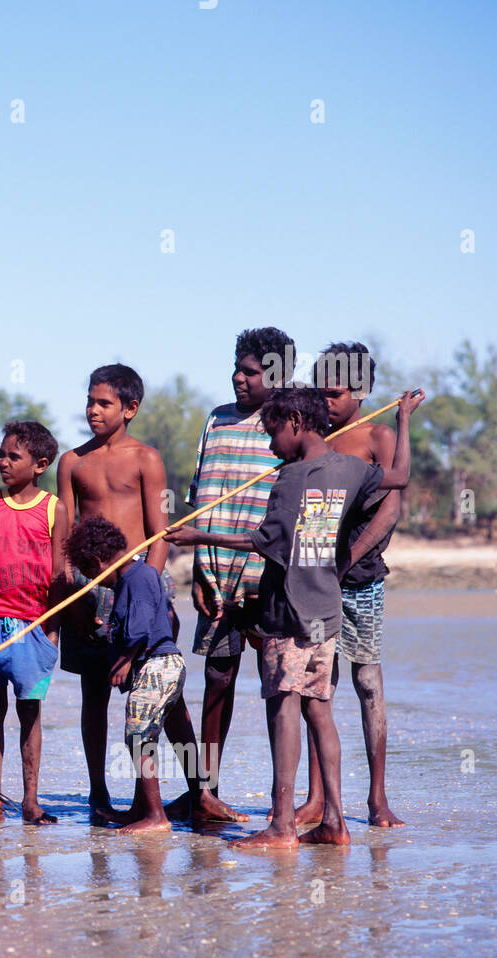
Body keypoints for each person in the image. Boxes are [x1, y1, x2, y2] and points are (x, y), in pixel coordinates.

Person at [167, 387, 421, 849]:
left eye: (272, 433)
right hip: (328, 607)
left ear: (298, 423)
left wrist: (197, 535)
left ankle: (282, 825)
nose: (269, 446)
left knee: (284, 706)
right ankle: (335, 823)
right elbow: (400, 475)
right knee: (319, 709)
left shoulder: (290, 478)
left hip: (287, 611)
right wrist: (404, 419)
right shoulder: (352, 468)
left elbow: (265, 543)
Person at [56, 364, 243, 825]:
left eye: (104, 403)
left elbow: (159, 533)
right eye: (90, 401)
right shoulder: (72, 461)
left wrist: (149, 590)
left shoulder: (146, 458)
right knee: (94, 694)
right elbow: (63, 532)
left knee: (169, 695)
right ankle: (100, 797)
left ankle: (199, 792)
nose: (93, 411)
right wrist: (72, 596)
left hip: (142, 587)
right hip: (90, 591)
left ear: (130, 409)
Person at [177, 327, 294, 814]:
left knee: (277, 688)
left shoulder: (288, 423)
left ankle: (281, 800)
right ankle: (205, 791)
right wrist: (199, 574)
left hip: (268, 578)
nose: (238, 379)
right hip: (216, 576)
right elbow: (200, 492)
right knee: (217, 680)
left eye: (251, 372)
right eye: (237, 368)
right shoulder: (217, 419)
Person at [309, 342, 405, 827]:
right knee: (317, 685)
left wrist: (351, 556)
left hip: (360, 580)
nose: (326, 401)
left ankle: (377, 797)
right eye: (319, 392)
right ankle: (319, 800)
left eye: (335, 393)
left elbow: (391, 507)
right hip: (313, 581)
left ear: (361, 391)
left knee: (367, 682)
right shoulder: (313, 440)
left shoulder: (377, 436)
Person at [66, 514, 208, 834]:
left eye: (89, 573)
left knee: (139, 737)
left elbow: (141, 626)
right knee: (140, 735)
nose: (92, 581)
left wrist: (126, 660)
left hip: (158, 665)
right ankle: (141, 808)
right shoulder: (130, 579)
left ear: (98, 560)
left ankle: (156, 816)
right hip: (153, 666)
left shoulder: (139, 576)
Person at [0, 420, 65, 825]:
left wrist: (51, 630)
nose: (3, 462)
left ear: (40, 464)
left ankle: (30, 800)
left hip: (31, 627)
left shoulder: (53, 508)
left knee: (30, 712)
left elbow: (59, 571)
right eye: (1, 454)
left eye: (14, 457)